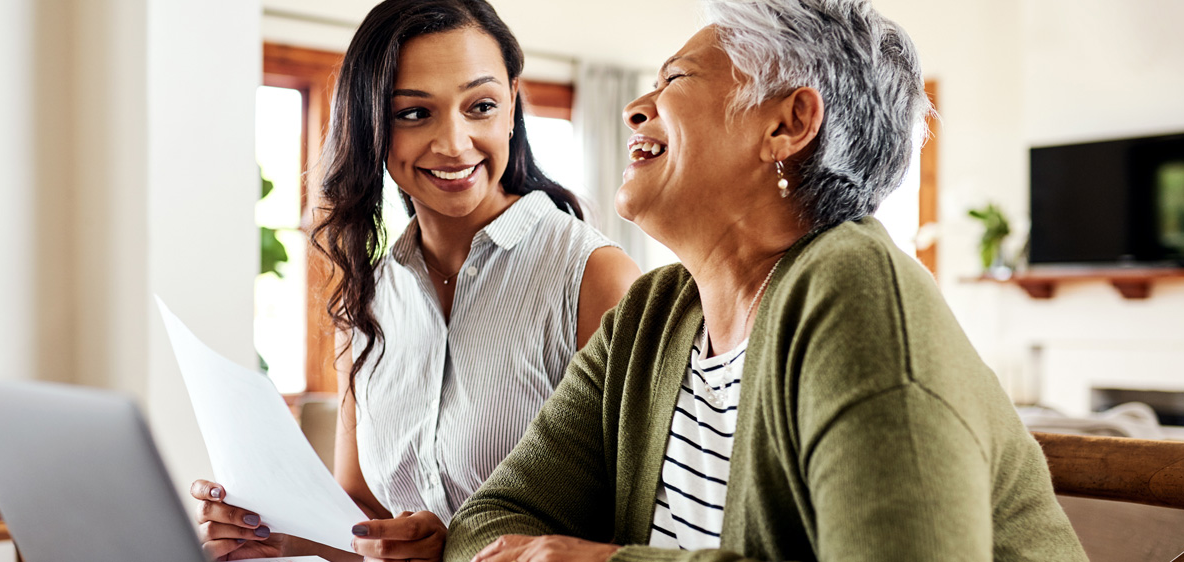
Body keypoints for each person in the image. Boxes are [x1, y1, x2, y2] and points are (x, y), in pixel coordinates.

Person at [442, 1, 1088, 561]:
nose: (636, 110)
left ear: (787, 125)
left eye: (674, 79)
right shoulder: (652, 315)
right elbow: (489, 518)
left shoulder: (854, 293)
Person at [191, 0, 640, 561]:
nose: (454, 144)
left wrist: (452, 550)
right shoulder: (367, 297)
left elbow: (636, 526)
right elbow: (361, 516)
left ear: (511, 106)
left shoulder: (594, 277)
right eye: (413, 113)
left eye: (480, 106)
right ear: (371, 124)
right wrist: (267, 531)